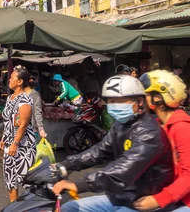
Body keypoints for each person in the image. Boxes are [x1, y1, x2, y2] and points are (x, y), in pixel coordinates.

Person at [53, 74, 175, 212]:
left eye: (121, 101)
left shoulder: (149, 133)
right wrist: (65, 164)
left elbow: (122, 170)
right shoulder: (121, 126)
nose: (115, 105)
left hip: (143, 200)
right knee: (69, 208)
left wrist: (78, 185)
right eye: (111, 101)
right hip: (122, 196)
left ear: (140, 101)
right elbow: (99, 151)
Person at [133, 70, 190, 212]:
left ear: (157, 98)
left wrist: (159, 200)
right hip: (167, 196)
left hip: (184, 202)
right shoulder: (157, 125)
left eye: (143, 96)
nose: (139, 102)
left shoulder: (182, 128)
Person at [0, 67, 36, 202]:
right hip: (10, 144)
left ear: (20, 81)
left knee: (26, 180)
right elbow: (8, 120)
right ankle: (14, 207)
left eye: (12, 77)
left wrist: (15, 143)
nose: (9, 80)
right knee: (10, 179)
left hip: (23, 146)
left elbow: (23, 124)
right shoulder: (10, 98)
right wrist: (4, 137)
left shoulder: (25, 100)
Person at [24, 73, 47, 140]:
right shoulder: (20, 94)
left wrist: (40, 127)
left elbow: (37, 112)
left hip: (31, 127)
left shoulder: (35, 95)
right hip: (20, 127)